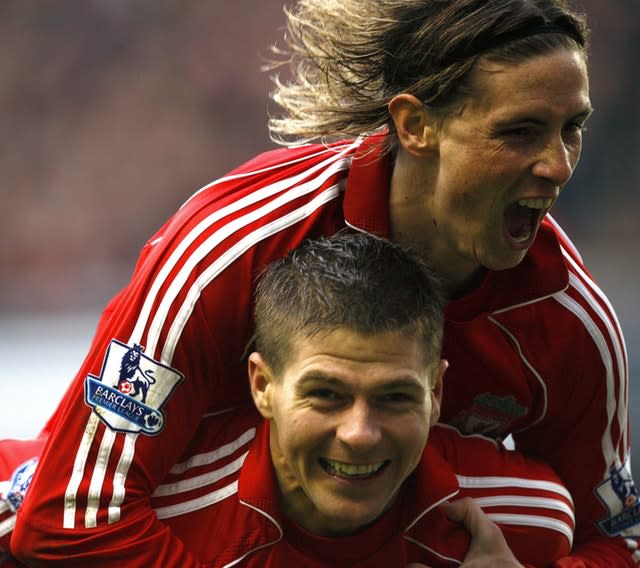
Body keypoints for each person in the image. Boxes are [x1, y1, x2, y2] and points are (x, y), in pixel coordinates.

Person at [6, 0, 639, 565]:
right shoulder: (230, 250)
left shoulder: (571, 324)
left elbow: (618, 539)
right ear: (417, 126)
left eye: (572, 129)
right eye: (519, 132)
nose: (558, 166)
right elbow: (70, 519)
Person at [6, 233, 578, 566]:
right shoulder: (157, 503)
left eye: (395, 397)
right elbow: (40, 517)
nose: (359, 432)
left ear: (437, 393)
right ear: (262, 387)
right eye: (326, 395)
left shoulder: (519, 519)